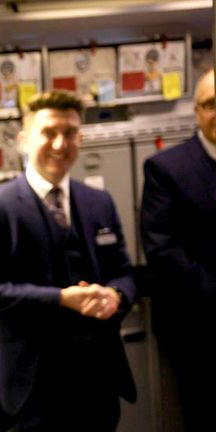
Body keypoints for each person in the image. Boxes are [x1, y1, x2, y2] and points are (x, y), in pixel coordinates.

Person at [0, 91, 137, 431]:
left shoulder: (98, 202)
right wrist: (61, 298)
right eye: (49, 133)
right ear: (24, 140)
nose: (61, 144)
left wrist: (116, 296)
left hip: (98, 381)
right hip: (33, 385)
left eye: (70, 133)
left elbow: (124, 272)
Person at [141, 68, 216, 431]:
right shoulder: (167, 168)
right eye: (211, 104)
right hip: (197, 327)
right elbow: (162, 248)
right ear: (197, 111)